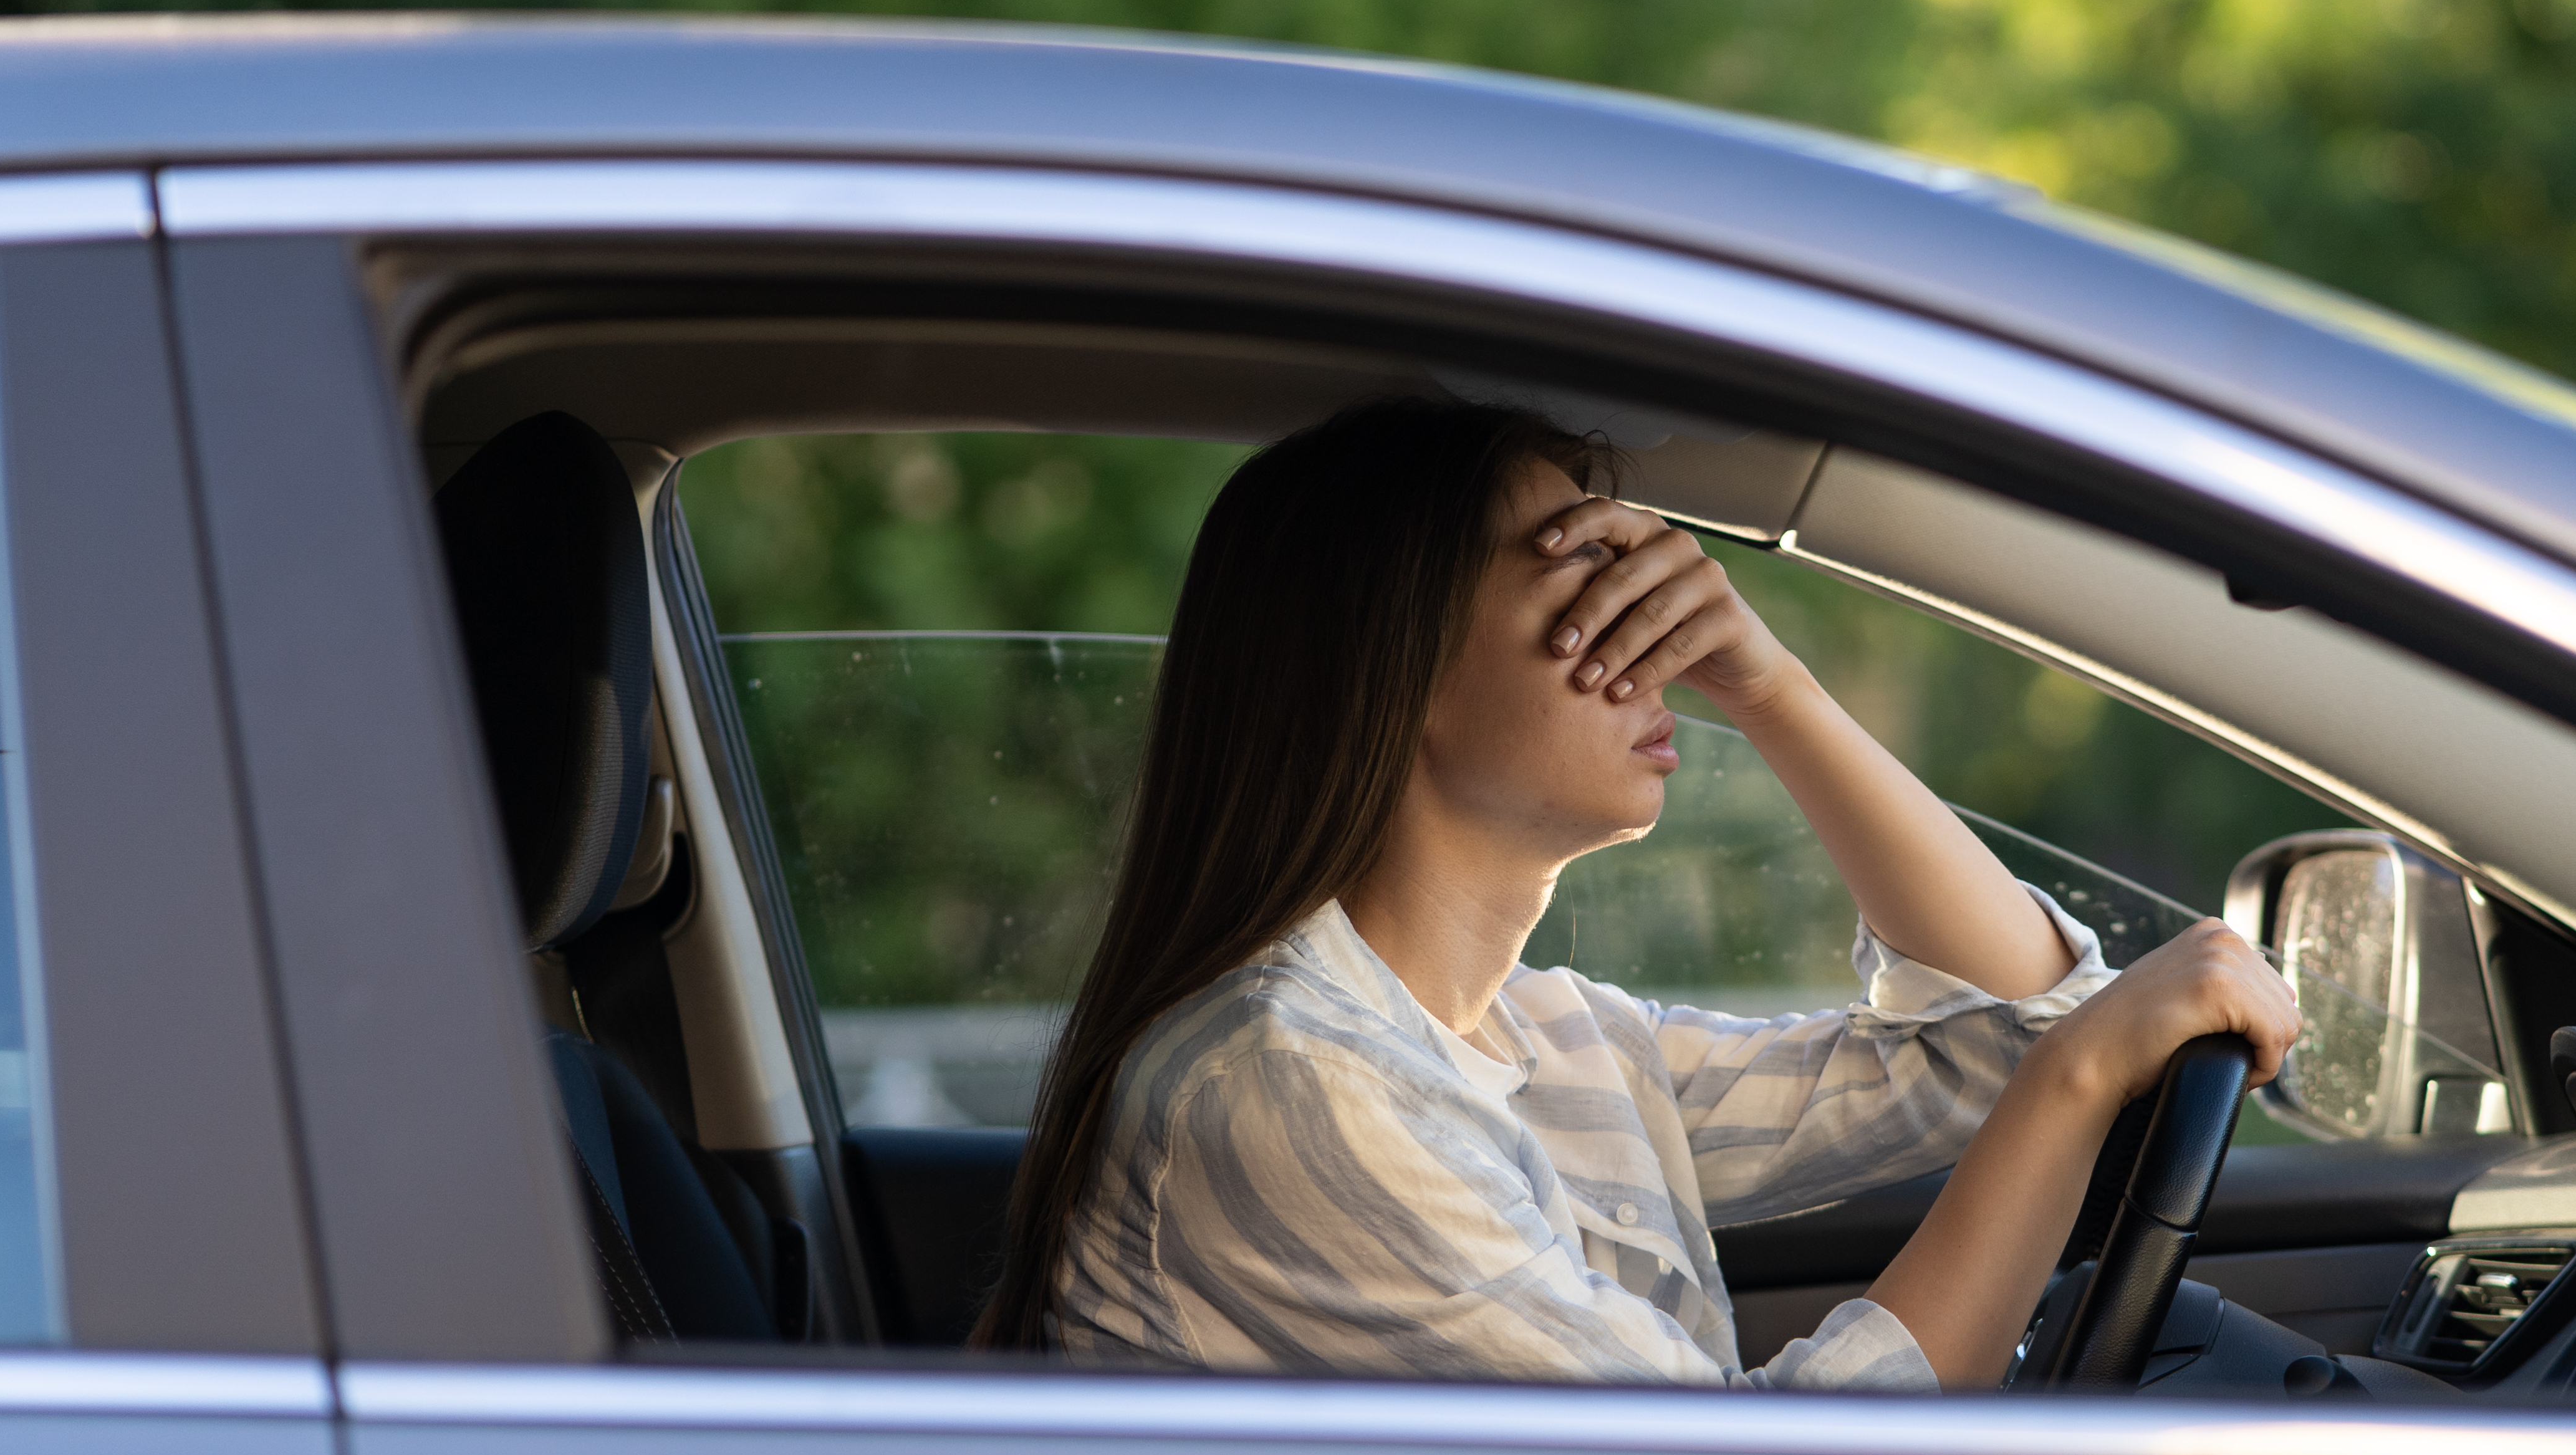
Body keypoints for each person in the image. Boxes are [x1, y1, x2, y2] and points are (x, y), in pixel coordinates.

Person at [978, 396, 2302, 1389]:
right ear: (1392, 664)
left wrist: (1774, 689)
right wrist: (2082, 1074)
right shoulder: (1283, 1082)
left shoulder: (1547, 1036)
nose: (1664, 627)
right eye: (1587, 571)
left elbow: (1990, 1036)